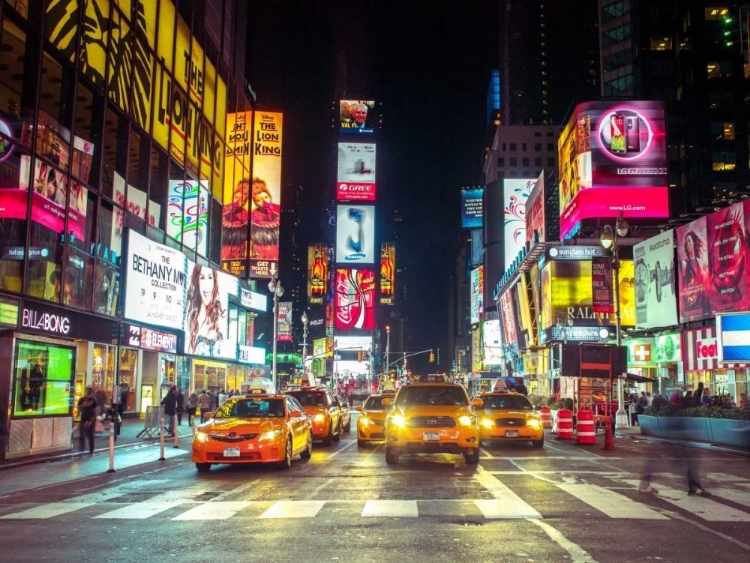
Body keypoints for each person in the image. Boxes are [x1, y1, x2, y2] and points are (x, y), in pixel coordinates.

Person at [185, 264, 226, 356]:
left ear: (214, 281)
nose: (207, 284)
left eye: (210, 277)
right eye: (202, 278)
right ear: (197, 281)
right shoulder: (189, 319)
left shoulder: (221, 317)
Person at [249, 177, 280, 260]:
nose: (264, 202)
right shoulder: (253, 215)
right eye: (259, 200)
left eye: (265, 197)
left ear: (269, 196)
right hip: (261, 254)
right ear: (255, 202)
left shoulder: (278, 209)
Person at [221, 177, 250, 261]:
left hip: (236, 254)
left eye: (243, 200)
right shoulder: (223, 209)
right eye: (236, 197)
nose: (238, 201)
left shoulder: (245, 215)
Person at [77, 387, 98, 455]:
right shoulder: (82, 399)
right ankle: (82, 448)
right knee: (82, 434)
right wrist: (81, 407)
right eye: (86, 391)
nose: (87, 393)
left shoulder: (93, 400)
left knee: (91, 435)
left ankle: (91, 451)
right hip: (84, 419)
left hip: (91, 420)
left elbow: (95, 409)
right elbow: (79, 408)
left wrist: (93, 419)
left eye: (88, 391)